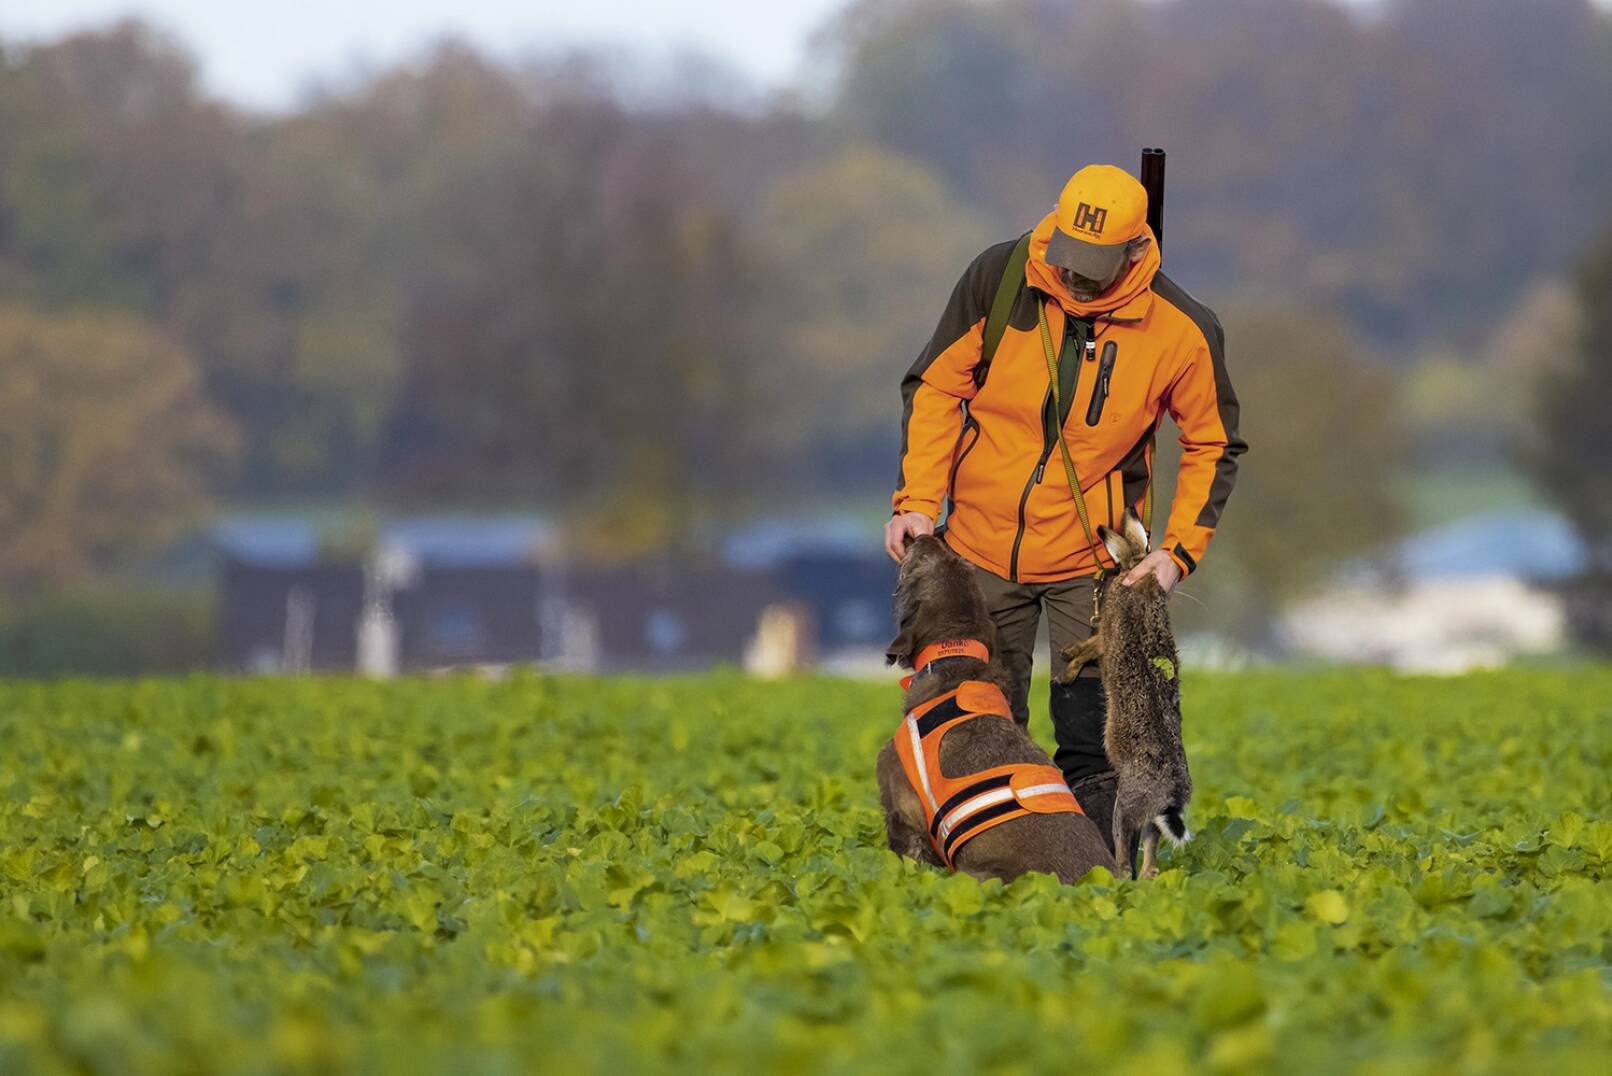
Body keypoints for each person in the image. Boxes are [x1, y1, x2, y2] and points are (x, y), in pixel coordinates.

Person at [883, 163, 1246, 858]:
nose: (1074, 279)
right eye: (1069, 262)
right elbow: (934, 389)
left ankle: (1108, 887)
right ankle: (970, 881)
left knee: (1093, 743)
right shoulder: (1001, 276)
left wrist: (1177, 553)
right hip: (980, 549)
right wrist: (918, 502)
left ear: (1137, 251)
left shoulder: (1183, 329)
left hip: (1094, 565)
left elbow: (1213, 442)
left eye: (1095, 268)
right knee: (976, 726)